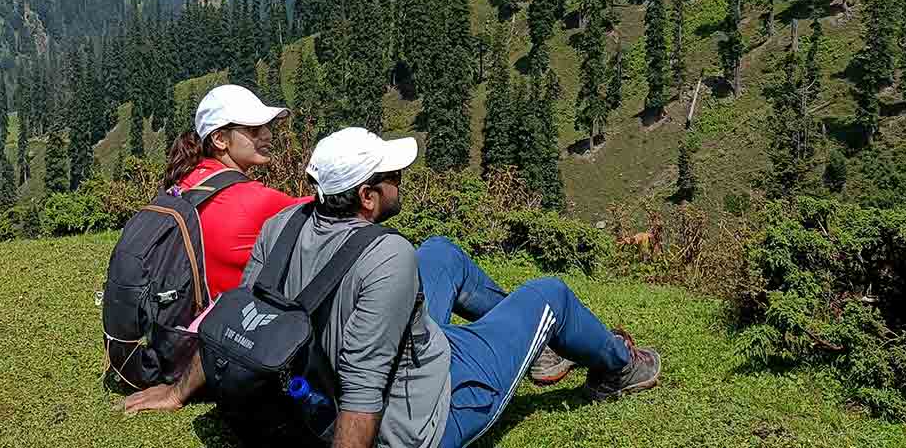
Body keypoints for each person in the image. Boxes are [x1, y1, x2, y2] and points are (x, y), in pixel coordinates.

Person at [124, 127, 662, 448]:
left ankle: (538, 353)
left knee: (442, 251)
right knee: (552, 295)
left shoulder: (282, 227)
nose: (401, 181)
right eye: (392, 176)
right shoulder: (386, 256)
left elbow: (236, 318)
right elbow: (362, 386)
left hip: (319, 383)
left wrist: (178, 392)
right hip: (421, 416)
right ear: (367, 197)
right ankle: (619, 368)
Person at [163, 83, 311, 299]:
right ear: (220, 139)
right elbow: (334, 205)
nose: (268, 135)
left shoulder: (182, 182)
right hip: (230, 326)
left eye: (267, 126)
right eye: (253, 129)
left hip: (180, 322)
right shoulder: (254, 201)